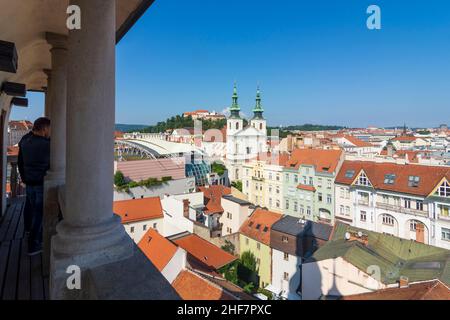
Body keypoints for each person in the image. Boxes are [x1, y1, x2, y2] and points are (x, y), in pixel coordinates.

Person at [17, 117, 50, 256]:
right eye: (49, 129)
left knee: (29, 207)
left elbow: (20, 162)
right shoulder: (46, 144)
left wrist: (24, 178)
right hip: (39, 182)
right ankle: (33, 244)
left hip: (29, 181)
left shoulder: (25, 141)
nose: (50, 132)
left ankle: (28, 231)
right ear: (43, 129)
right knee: (38, 213)